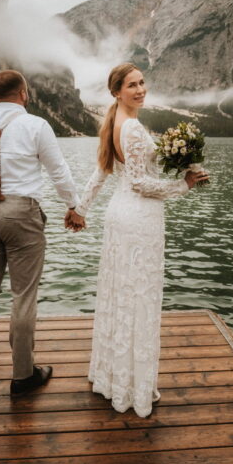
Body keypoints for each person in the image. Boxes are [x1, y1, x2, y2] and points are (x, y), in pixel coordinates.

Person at [74, 63, 208, 417]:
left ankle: (114, 378)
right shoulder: (131, 127)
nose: (140, 89)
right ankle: (132, 388)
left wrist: (81, 208)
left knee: (122, 295)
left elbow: (102, 172)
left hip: (121, 216)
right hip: (138, 219)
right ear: (117, 92)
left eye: (142, 82)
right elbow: (140, 183)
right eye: (132, 85)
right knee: (139, 298)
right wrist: (183, 185)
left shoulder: (114, 122)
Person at [0, 69, 87, 395]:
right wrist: (74, 206)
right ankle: (22, 374)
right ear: (24, 93)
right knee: (23, 294)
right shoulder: (36, 125)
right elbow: (58, 170)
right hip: (21, 212)